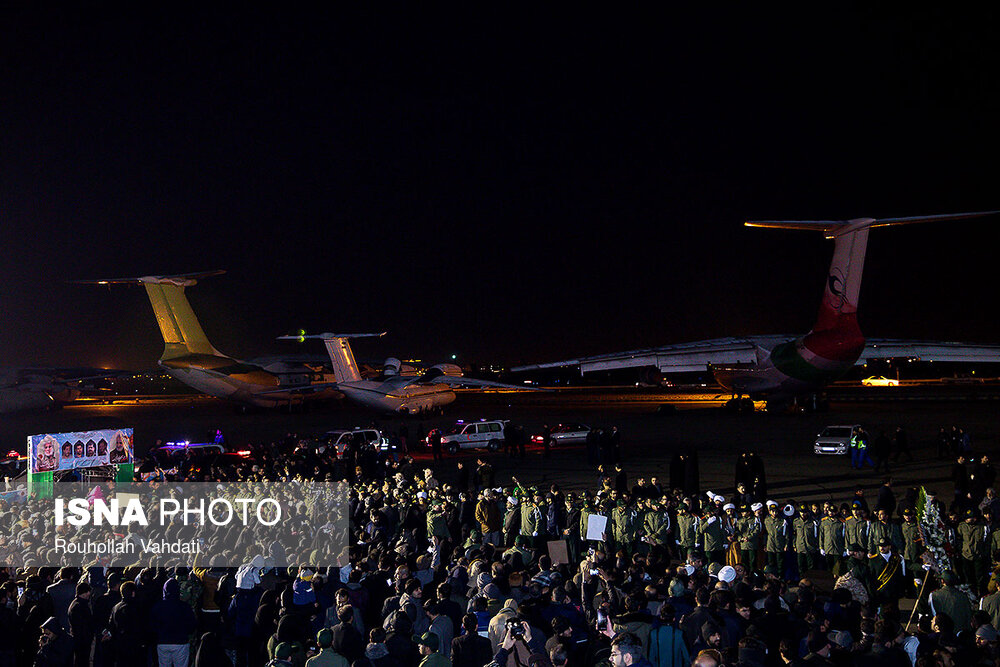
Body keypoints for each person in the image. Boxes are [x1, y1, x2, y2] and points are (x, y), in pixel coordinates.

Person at [149, 578, 198, 667]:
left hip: (162, 642)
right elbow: (192, 625)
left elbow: (152, 625)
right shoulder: (185, 607)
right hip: (181, 642)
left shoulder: (158, 607)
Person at [67, 582, 94, 667]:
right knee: (82, 661)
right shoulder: (81, 606)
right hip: (82, 641)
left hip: (78, 639)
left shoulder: (75, 604)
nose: (89, 594)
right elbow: (84, 625)